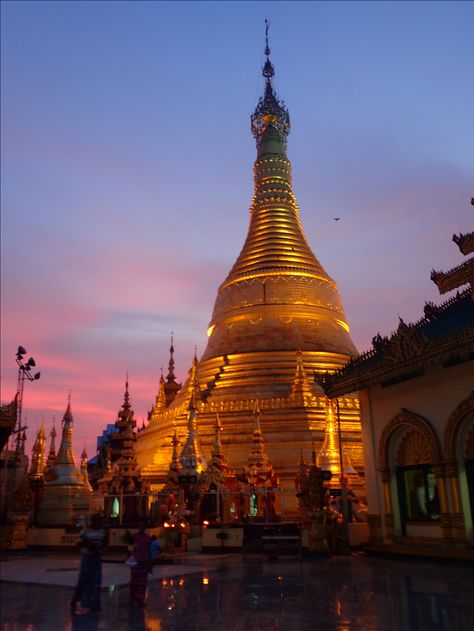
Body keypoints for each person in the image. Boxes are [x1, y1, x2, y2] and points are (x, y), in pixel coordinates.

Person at [71, 513, 105, 614]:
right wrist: (87, 544)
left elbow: (103, 544)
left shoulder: (102, 532)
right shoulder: (85, 532)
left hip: (96, 558)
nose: (99, 523)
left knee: (96, 581)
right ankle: (77, 600)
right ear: (93, 521)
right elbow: (78, 544)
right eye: (97, 521)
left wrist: (98, 549)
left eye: (100, 521)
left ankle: (94, 604)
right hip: (87, 558)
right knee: (84, 579)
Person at [129, 525, 152, 607]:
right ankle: (134, 599)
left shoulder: (147, 538)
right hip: (136, 560)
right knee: (135, 581)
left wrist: (150, 562)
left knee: (142, 582)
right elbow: (130, 547)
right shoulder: (134, 537)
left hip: (144, 561)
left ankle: (140, 600)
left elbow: (148, 549)